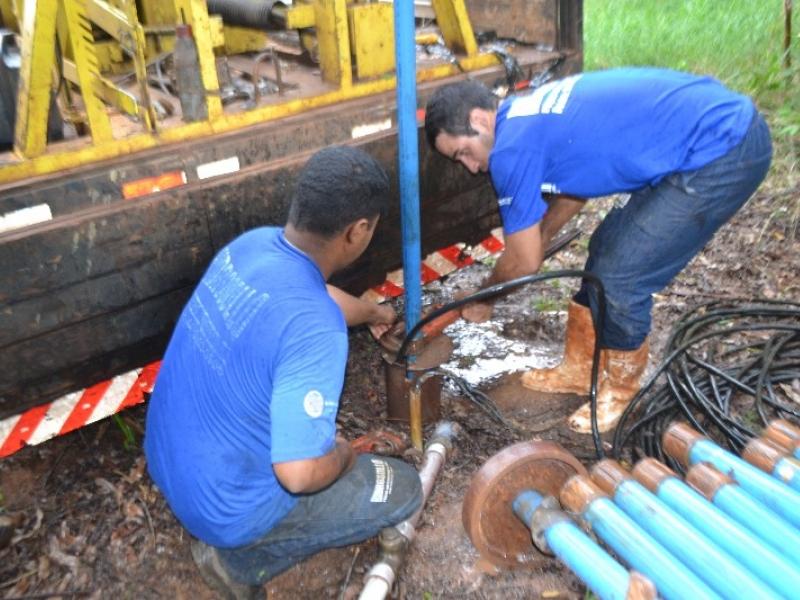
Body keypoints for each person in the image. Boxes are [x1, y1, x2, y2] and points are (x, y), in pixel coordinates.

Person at [424, 67, 772, 433]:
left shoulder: (510, 149)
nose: (472, 167)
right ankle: (580, 368)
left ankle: (622, 393)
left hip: (724, 148)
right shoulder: (527, 114)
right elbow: (576, 187)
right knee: (607, 247)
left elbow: (523, 262)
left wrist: (483, 296)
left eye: (464, 151)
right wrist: (539, 237)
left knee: (620, 274)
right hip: (705, 132)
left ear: (480, 118)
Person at [144, 146, 422, 599]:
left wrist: (374, 313)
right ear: (359, 230)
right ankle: (240, 562)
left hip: (170, 462)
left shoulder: (252, 245)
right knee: (402, 487)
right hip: (225, 509)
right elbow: (298, 473)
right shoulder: (316, 331)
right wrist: (345, 454)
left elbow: (319, 293)